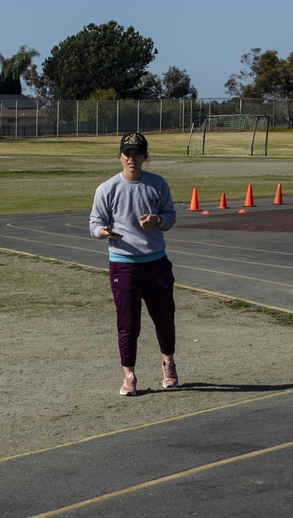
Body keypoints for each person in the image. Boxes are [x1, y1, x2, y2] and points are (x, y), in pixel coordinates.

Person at [89, 131, 179, 397]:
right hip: (123, 264)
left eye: (137, 153)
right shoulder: (107, 189)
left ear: (145, 157)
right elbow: (94, 224)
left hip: (156, 262)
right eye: (127, 154)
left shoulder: (157, 185)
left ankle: (168, 363)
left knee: (164, 318)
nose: (132, 158)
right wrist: (105, 232)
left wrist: (157, 221)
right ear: (119, 156)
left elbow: (171, 216)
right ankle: (129, 375)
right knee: (128, 323)